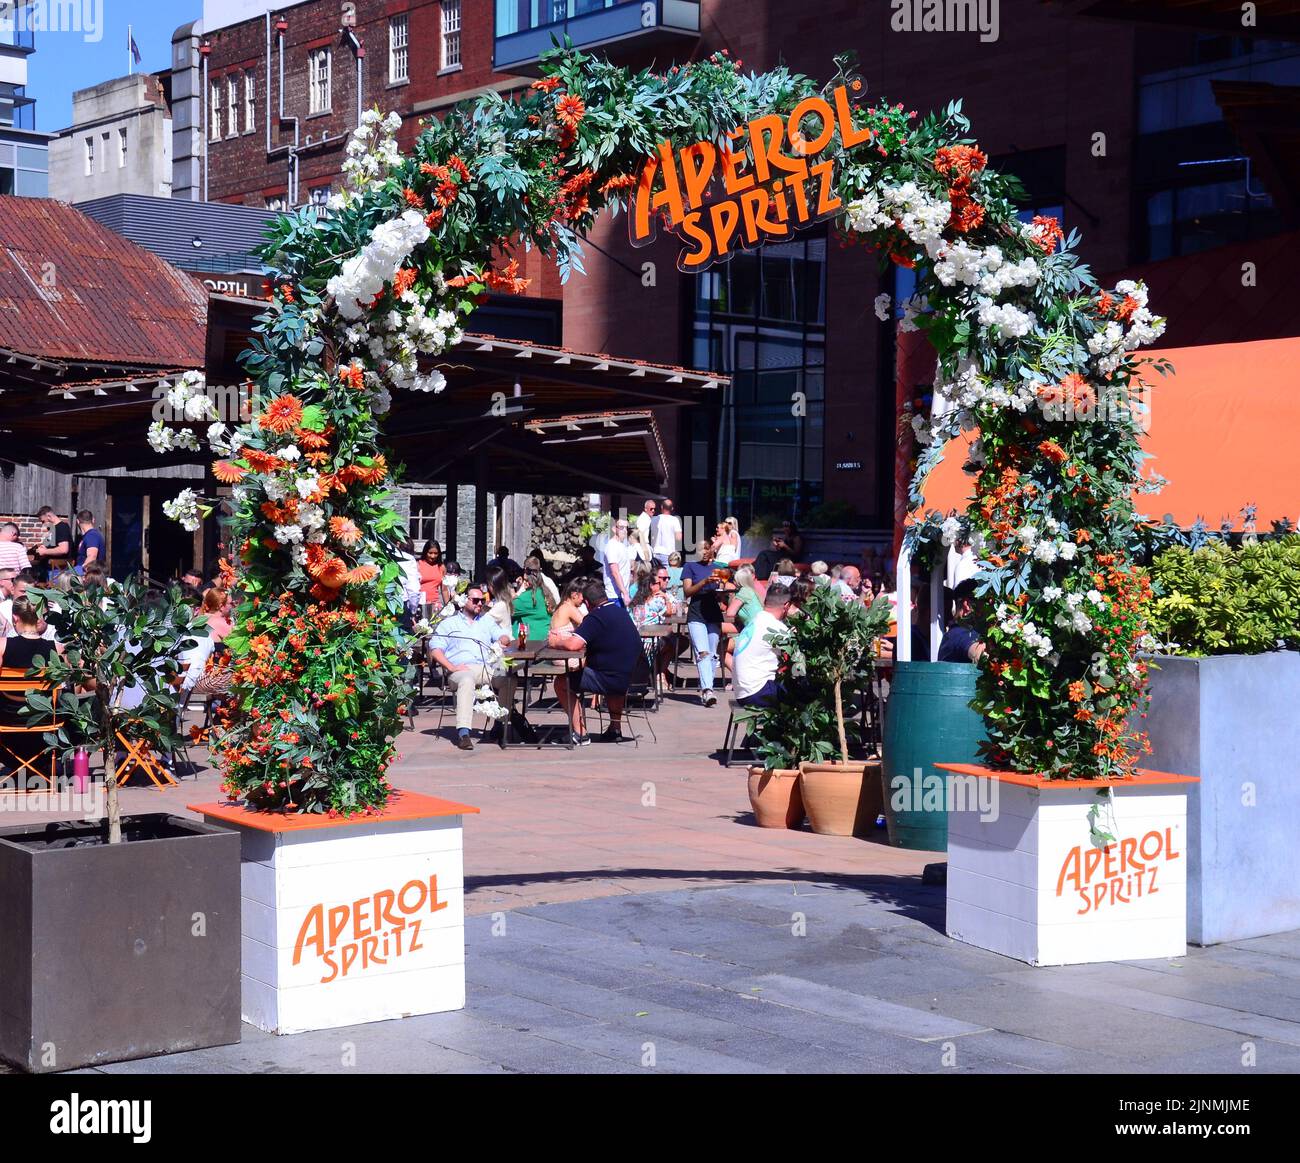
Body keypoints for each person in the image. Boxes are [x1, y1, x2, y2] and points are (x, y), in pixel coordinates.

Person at [548, 579, 643, 745]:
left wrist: (555, 642)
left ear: (586, 602)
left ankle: (580, 733)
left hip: (607, 678)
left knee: (562, 682)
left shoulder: (595, 617)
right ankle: (615, 729)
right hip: (630, 676)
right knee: (611, 678)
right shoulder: (620, 612)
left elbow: (573, 644)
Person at [427, 582, 517, 752]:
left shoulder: (486, 622)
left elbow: (503, 636)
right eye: (475, 600)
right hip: (459, 669)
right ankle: (464, 732)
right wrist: (451, 667)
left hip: (484, 667)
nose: (479, 604)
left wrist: (503, 640)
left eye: (482, 600)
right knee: (467, 679)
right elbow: (435, 649)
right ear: (464, 600)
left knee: (509, 678)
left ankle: (500, 724)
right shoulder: (449, 624)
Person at [680, 538, 728, 706]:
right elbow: (687, 591)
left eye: (707, 548)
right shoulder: (690, 567)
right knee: (703, 653)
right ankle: (708, 690)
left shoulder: (718, 568)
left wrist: (723, 590)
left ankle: (707, 687)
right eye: (702, 549)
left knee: (713, 654)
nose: (705, 551)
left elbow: (723, 590)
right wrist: (704, 582)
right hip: (696, 612)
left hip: (713, 612)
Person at [733, 584, 793, 707]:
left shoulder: (756, 620)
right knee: (805, 691)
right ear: (786, 606)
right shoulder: (778, 628)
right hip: (758, 693)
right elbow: (793, 657)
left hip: (742, 693)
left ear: (765, 601)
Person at [938, 578, 985, 664]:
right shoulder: (958, 634)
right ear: (967, 604)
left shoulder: (955, 634)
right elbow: (980, 654)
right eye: (985, 602)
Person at [512, 558, 555, 644]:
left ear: (525, 574)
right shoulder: (546, 592)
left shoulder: (526, 598)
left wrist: (519, 591)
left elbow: (506, 609)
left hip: (531, 644)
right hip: (546, 640)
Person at [32, 506, 72, 582]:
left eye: (43, 521)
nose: (42, 524)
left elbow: (63, 549)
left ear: (49, 516)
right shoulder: (53, 529)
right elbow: (47, 545)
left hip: (57, 570)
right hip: (48, 567)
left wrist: (45, 552)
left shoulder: (62, 527)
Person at [600, 517, 634, 607]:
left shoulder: (622, 546)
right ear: (614, 529)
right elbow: (615, 572)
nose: (625, 531)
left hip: (622, 595)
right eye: (621, 527)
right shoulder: (612, 546)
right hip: (614, 596)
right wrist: (625, 593)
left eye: (626, 528)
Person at [481, 564, 516, 641]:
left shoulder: (501, 605)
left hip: (504, 643)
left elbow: (483, 622)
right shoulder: (504, 600)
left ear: (492, 586)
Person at [650, 498, 682, 569]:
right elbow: (678, 538)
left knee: (656, 575)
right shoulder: (674, 520)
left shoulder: (654, 519)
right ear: (672, 508)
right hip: (668, 553)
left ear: (661, 507)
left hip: (655, 552)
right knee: (667, 576)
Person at [73, 510, 104, 574]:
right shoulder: (89, 535)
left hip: (89, 574)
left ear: (78, 521)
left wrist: (81, 574)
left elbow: (92, 557)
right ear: (93, 520)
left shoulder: (92, 535)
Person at [417, 540, 446, 608]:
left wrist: (448, 606)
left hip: (435, 604)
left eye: (435, 553)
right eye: (430, 553)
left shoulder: (441, 567)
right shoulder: (418, 565)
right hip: (420, 603)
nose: (433, 556)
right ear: (425, 552)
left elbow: (444, 590)